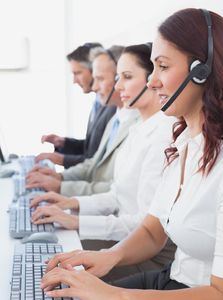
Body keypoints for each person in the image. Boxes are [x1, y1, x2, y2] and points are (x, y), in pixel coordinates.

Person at [40, 8, 223, 300]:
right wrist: (108, 258)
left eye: (163, 66)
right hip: (174, 280)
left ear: (201, 71)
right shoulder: (185, 142)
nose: (152, 80)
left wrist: (113, 296)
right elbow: (151, 230)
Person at [30, 44, 177, 280]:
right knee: (47, 254)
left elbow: (144, 225)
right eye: (118, 77)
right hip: (124, 236)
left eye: (127, 77)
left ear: (152, 80)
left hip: (145, 255)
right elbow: (115, 195)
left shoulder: (164, 136)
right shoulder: (139, 129)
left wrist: (76, 220)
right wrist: (70, 203)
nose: (118, 86)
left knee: (51, 264)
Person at [26, 46, 140, 196]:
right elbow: (94, 162)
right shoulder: (115, 117)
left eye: (99, 78)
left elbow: (117, 188)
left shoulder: (134, 124)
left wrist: (62, 185)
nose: (94, 86)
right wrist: (60, 176)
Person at [36, 42, 116, 168]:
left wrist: (61, 160)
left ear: (93, 70)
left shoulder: (113, 106)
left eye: (77, 73)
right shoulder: (98, 102)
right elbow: (93, 147)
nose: (74, 80)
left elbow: (98, 161)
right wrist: (64, 143)